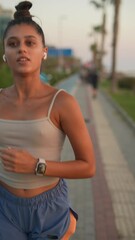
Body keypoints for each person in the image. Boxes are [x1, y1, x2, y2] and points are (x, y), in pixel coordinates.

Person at [0, 1, 96, 240]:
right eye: (13, 44)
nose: (21, 49)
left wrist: (36, 165)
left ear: (43, 51)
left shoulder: (62, 102)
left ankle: (66, 220)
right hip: (4, 207)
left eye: (30, 43)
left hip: (48, 209)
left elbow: (88, 166)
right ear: (5, 54)